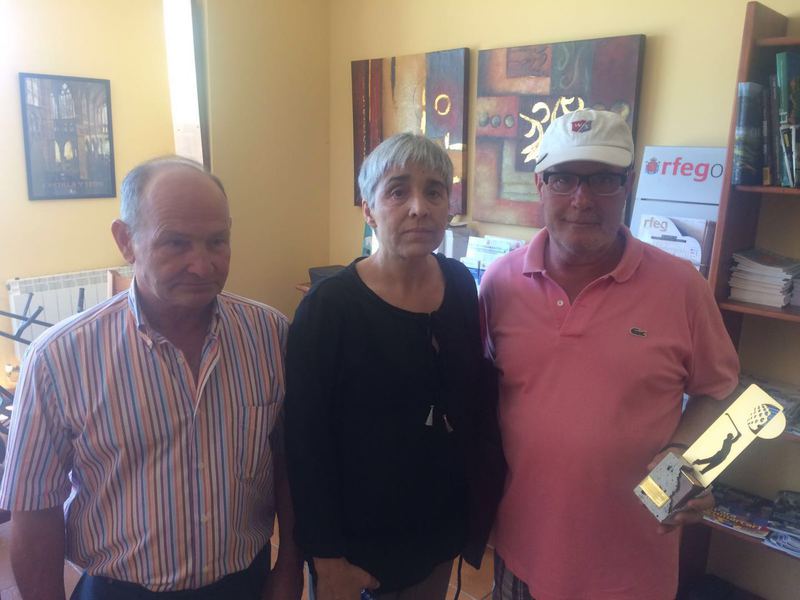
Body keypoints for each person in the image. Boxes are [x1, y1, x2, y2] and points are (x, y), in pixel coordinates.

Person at [0, 157, 303, 600]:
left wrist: (289, 567)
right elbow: (35, 511)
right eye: (176, 243)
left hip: (246, 583)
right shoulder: (58, 359)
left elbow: (287, 464)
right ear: (126, 240)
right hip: (120, 590)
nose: (202, 265)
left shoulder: (270, 335)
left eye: (217, 241)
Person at [479, 109, 740, 600]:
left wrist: (686, 457)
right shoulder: (499, 284)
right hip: (521, 556)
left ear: (628, 184)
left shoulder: (682, 287)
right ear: (539, 185)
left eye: (602, 179)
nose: (582, 199)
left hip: (631, 569)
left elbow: (721, 391)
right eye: (563, 179)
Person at [284, 133, 505, 600]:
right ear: (369, 210)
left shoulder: (460, 285)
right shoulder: (329, 307)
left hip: (437, 532)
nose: (419, 208)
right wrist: (326, 559)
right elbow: (305, 443)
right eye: (398, 191)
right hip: (357, 547)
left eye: (434, 191)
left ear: (448, 207)